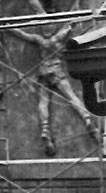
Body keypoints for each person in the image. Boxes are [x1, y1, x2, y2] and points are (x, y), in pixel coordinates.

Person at [7, 24, 99, 156]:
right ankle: (87, 119)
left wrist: (9, 27)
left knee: (43, 102)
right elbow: (69, 27)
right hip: (56, 70)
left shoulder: (39, 40)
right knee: (71, 96)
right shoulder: (57, 38)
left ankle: (45, 129)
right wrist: (73, 24)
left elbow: (23, 34)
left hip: (44, 72)